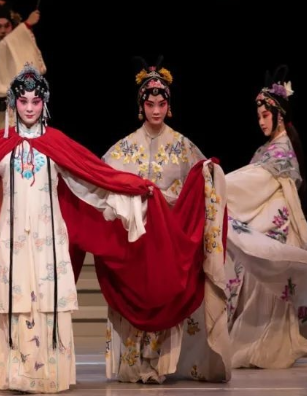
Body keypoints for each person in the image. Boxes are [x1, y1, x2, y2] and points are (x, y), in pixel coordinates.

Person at [0, 63, 223, 392]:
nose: (30, 108)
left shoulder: (56, 144)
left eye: (36, 101)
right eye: (23, 101)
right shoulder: (1, 146)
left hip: (49, 239)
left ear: (45, 103)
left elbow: (94, 179)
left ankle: (49, 374)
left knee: (47, 300)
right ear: (13, 104)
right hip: (13, 239)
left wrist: (132, 188)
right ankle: (15, 374)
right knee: (16, 300)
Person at [102, 57, 231, 383]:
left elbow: (200, 182)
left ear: (169, 106)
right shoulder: (124, 147)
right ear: (141, 106)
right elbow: (103, 178)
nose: (156, 110)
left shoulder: (182, 146)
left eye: (161, 104)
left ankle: (158, 366)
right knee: (136, 298)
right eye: (150, 104)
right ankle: (133, 366)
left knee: (163, 298)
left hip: (168, 239)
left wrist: (208, 173)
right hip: (137, 240)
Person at [224, 65, 307, 368]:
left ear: (279, 115)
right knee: (257, 272)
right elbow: (253, 179)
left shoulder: (281, 150)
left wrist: (218, 183)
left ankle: (268, 343)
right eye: (259, 116)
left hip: (276, 224)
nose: (261, 121)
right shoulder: (268, 148)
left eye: (266, 115)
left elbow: (256, 181)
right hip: (267, 219)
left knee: (267, 276)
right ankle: (260, 339)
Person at [0, 0, 43, 148]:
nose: (3, 30)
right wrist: (26, 25)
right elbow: (1, 49)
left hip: (12, 103)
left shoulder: (15, 49)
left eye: (7, 26)